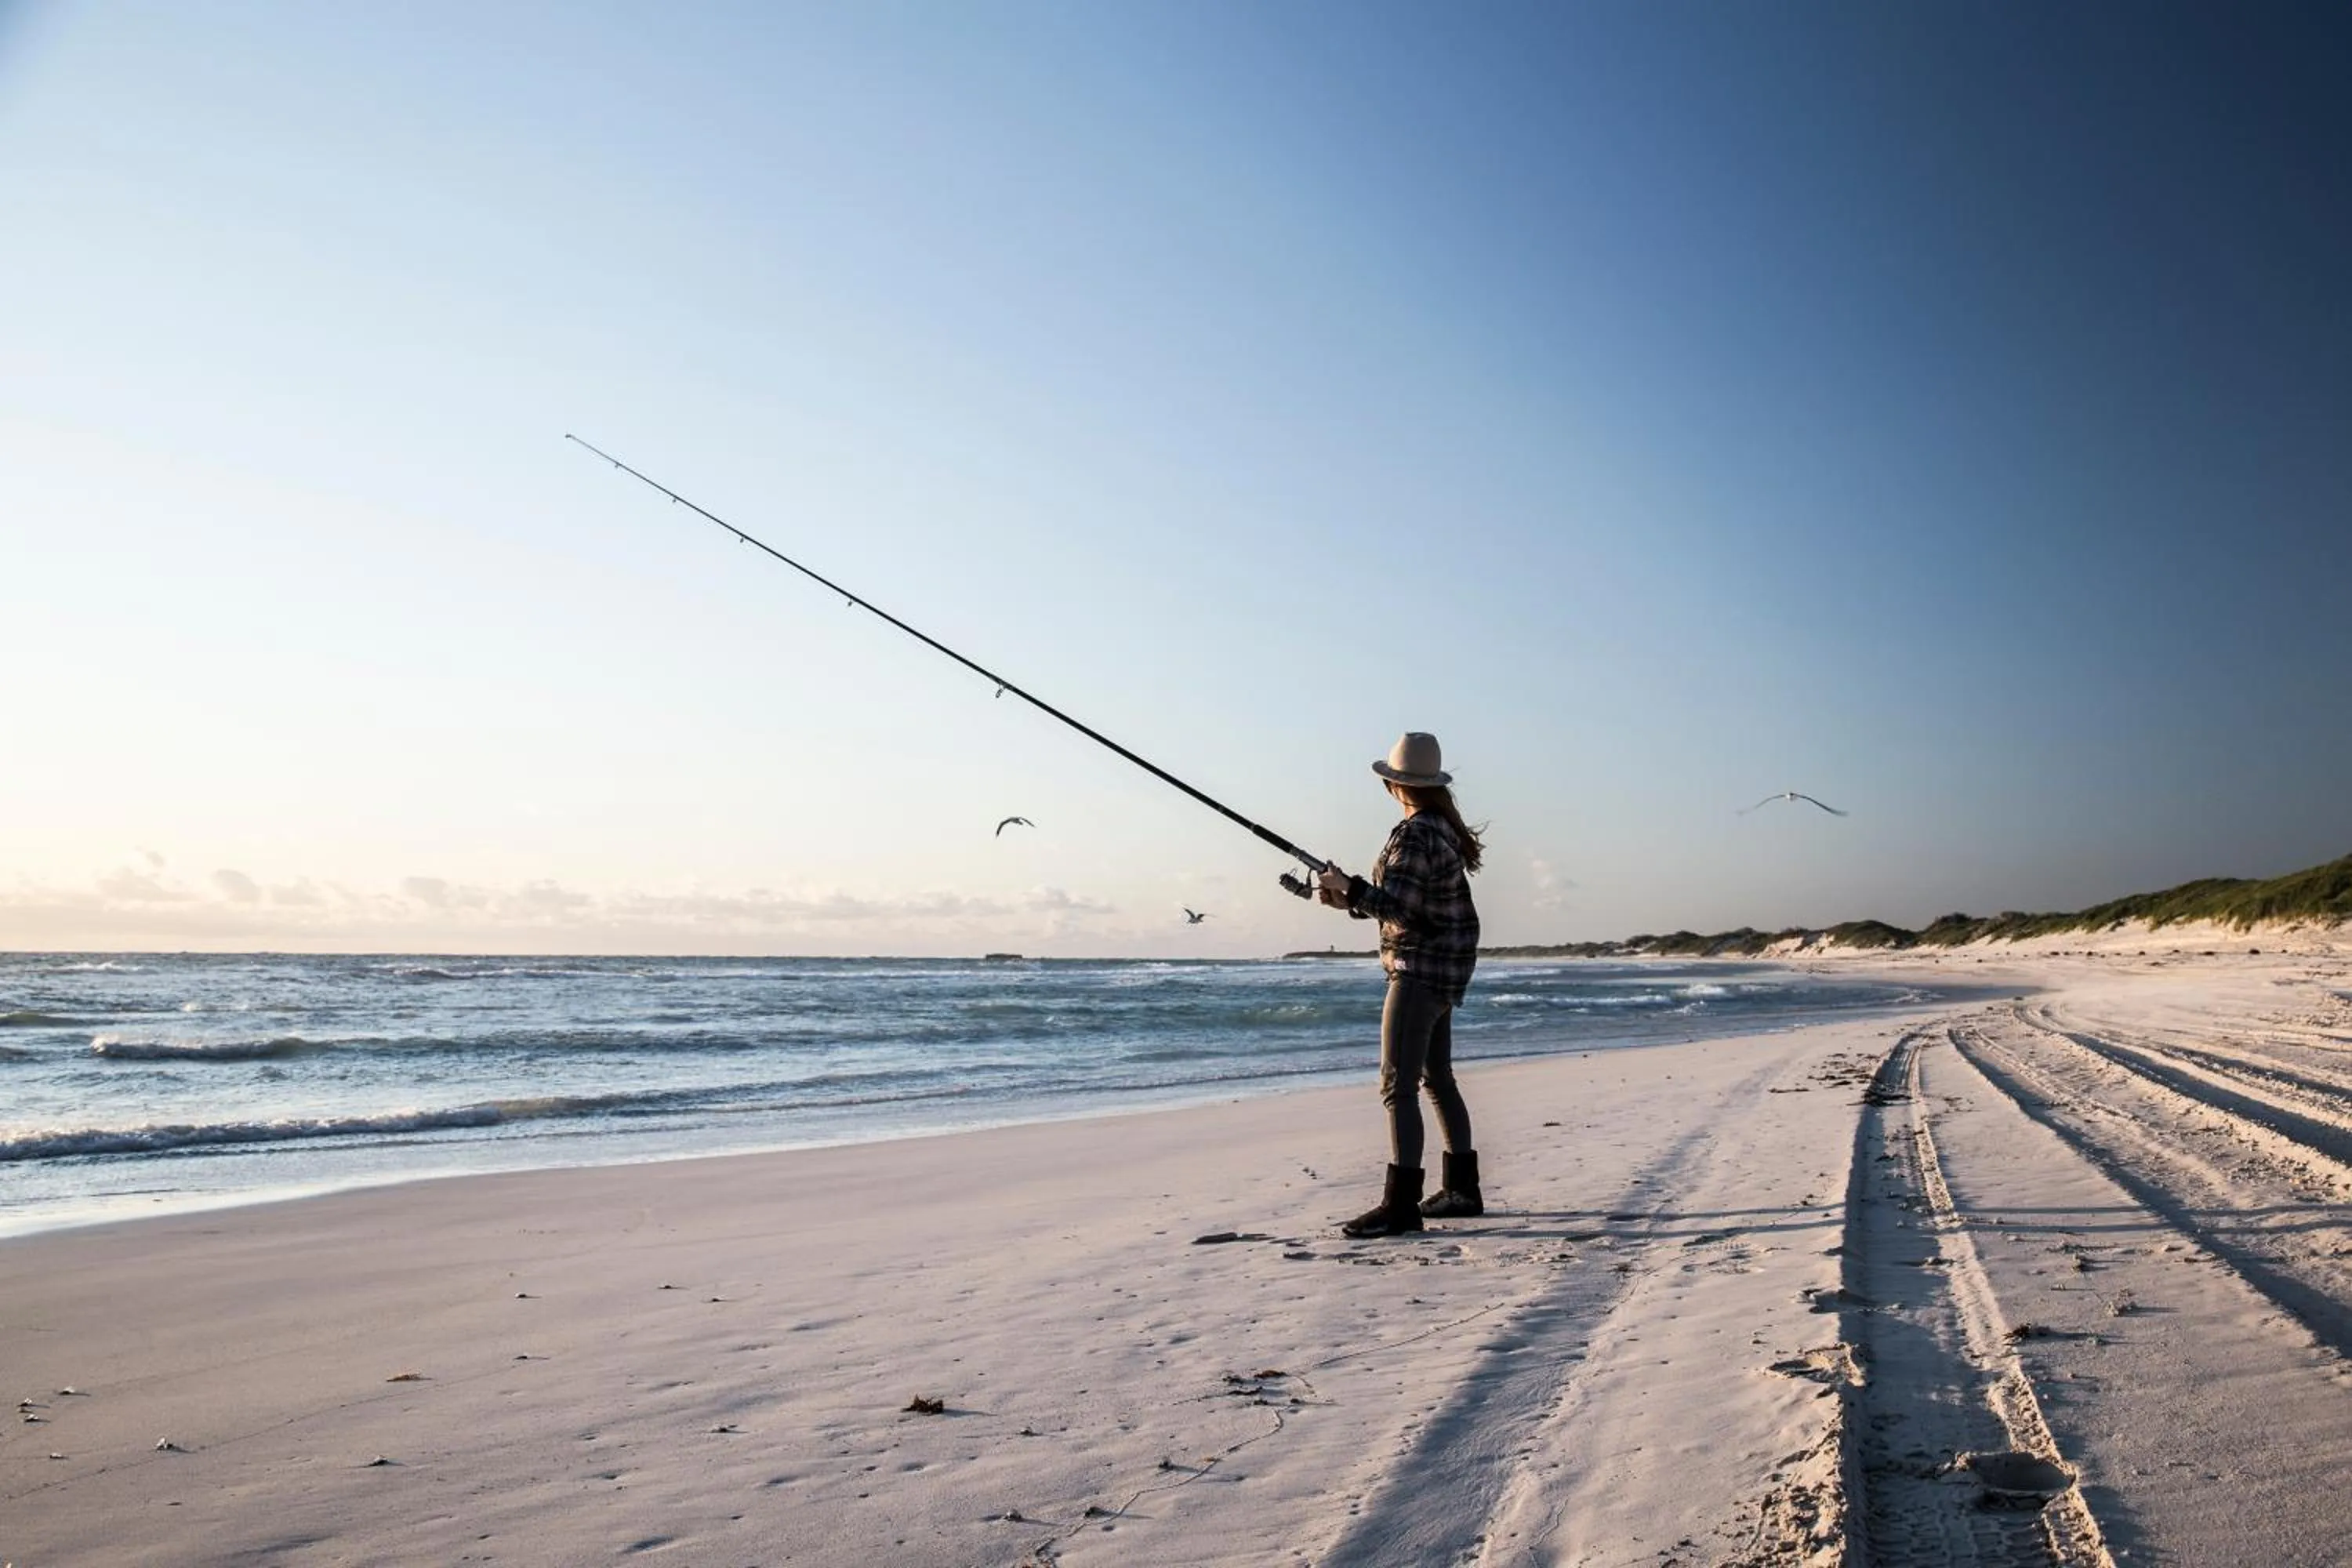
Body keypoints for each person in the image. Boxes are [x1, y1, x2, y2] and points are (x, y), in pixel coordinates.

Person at [1316, 732, 1486, 1237]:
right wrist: (1349, 898)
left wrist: (1352, 889)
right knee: (1437, 1079)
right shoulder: (1440, 830)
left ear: (1394, 785)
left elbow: (1402, 911)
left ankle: (1401, 1206)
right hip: (1444, 970)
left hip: (1418, 971)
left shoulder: (1414, 834)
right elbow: (1408, 905)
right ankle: (1462, 1190)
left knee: (1398, 1085)